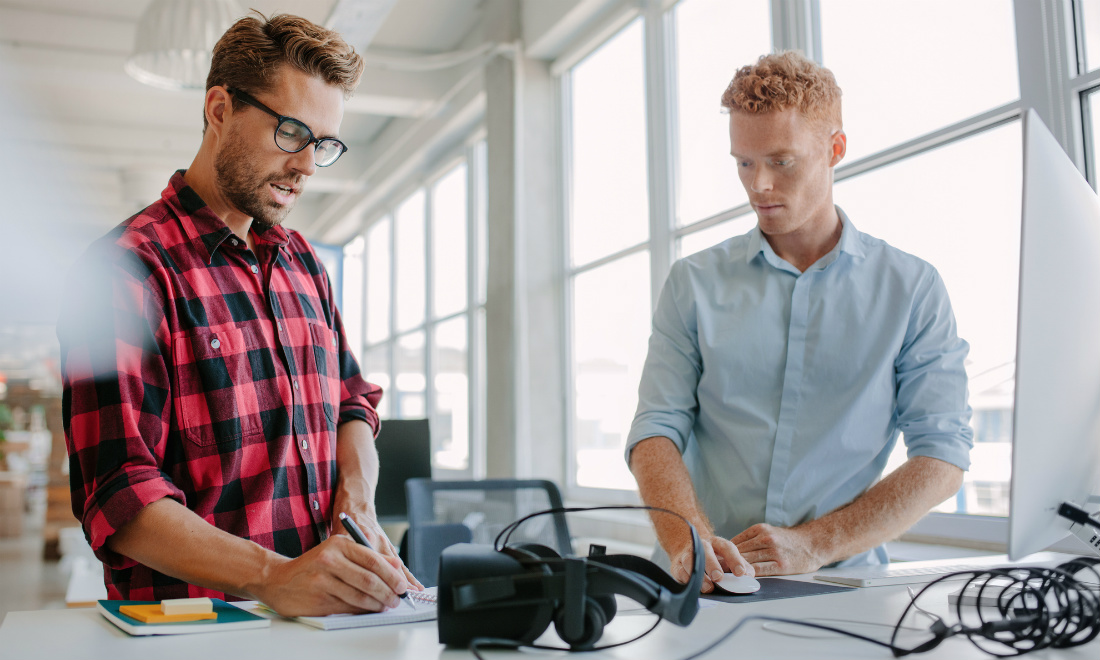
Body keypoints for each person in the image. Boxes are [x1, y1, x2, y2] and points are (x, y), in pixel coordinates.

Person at [57, 13, 420, 616]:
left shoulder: (303, 262)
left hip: (322, 625)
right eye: (291, 133)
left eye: (323, 145)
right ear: (220, 108)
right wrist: (276, 577)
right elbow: (118, 493)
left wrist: (357, 501)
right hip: (197, 629)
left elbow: (351, 401)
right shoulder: (125, 272)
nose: (307, 165)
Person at [626, 51, 974, 593]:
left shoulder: (911, 289)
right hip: (700, 580)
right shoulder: (693, 283)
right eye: (744, 162)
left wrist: (815, 543)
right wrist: (686, 539)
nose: (759, 184)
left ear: (835, 149)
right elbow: (655, 429)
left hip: (842, 586)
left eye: (781, 162)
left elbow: (942, 454)